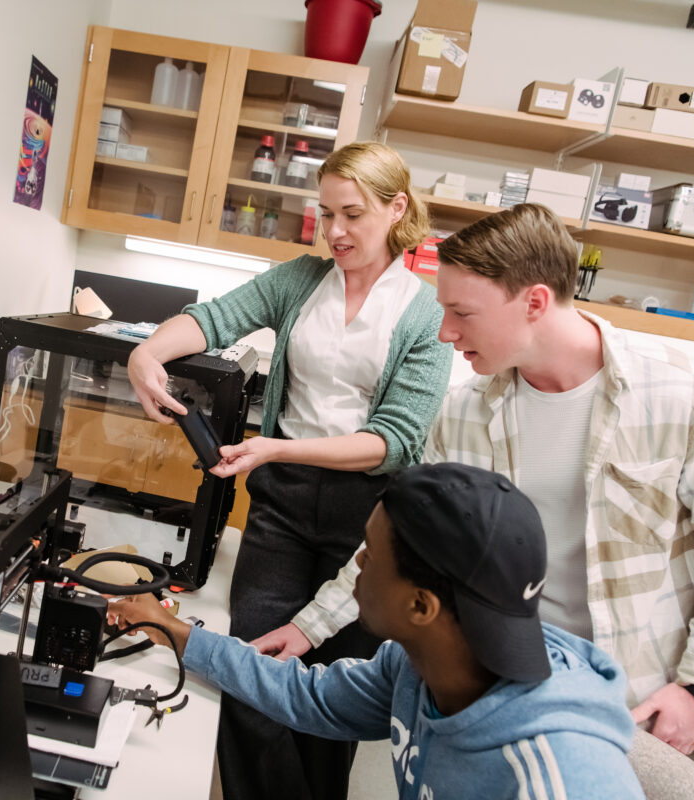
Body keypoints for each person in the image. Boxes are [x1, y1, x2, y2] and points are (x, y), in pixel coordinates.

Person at [255, 202, 694, 756]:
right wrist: (310, 627)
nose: (445, 333)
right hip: (496, 689)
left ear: (534, 302)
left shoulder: (684, 398)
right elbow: (405, 542)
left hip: (628, 703)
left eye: (462, 313)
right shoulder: (463, 413)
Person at [126, 141, 453, 800]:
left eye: (352, 215)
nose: (334, 231)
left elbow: (393, 442)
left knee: (330, 704)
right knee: (250, 677)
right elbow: (215, 319)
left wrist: (274, 448)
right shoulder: (300, 280)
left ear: (397, 208)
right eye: (325, 213)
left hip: (368, 522)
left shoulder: (425, 314)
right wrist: (147, 354)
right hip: (280, 509)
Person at [108, 463, 646, 800]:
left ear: (421, 604)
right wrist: (171, 628)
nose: (356, 564)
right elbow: (305, 696)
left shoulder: (556, 778)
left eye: (371, 553)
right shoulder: (418, 667)